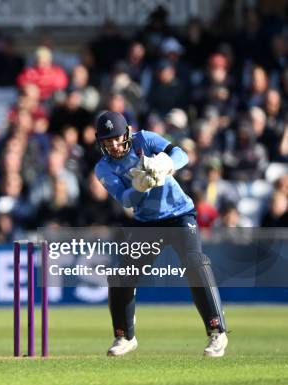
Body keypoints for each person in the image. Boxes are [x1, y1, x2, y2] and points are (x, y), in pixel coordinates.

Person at [94, 111, 228, 357]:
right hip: (148, 223)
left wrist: (165, 164)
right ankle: (124, 336)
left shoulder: (144, 139)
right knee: (122, 274)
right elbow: (124, 200)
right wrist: (138, 187)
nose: (113, 144)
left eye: (116, 137)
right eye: (107, 140)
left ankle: (217, 332)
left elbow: (182, 154)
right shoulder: (103, 167)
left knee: (195, 262)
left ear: (127, 133)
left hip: (179, 214)